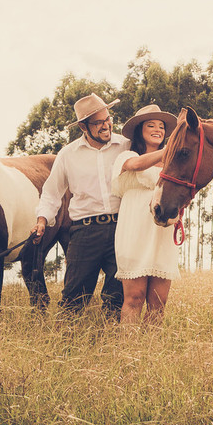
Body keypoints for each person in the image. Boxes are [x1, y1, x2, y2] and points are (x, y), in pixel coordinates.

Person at [32, 93, 129, 319]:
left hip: (122, 229)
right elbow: (51, 193)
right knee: (73, 298)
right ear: (83, 127)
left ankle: (112, 335)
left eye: (108, 119)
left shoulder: (126, 145)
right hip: (85, 232)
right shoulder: (68, 155)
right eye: (98, 122)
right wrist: (42, 221)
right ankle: (67, 336)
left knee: (118, 295)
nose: (106, 125)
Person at [113, 104, 182, 326]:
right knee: (134, 297)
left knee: (159, 301)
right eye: (151, 125)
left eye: (161, 126)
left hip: (162, 232)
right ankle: (128, 344)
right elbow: (136, 165)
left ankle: (151, 345)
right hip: (134, 230)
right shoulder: (127, 156)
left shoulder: (173, 164)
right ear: (139, 130)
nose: (157, 130)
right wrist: (171, 149)